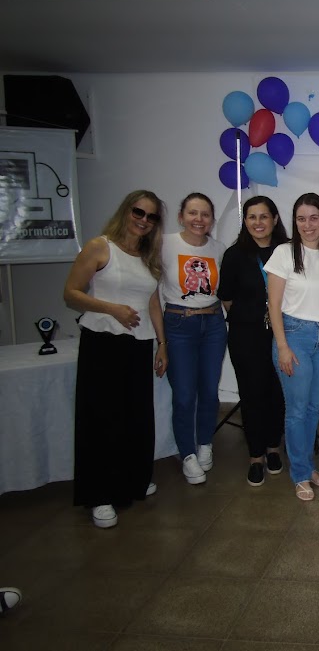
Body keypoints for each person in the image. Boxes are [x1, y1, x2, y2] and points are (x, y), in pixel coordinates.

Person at [63, 190, 168, 528]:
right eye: (139, 212)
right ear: (126, 211)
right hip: (103, 342)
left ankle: (132, 480)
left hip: (139, 344)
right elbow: (71, 293)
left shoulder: (148, 256)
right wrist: (111, 309)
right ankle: (100, 495)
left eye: (151, 216)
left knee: (136, 415)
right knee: (102, 418)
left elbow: (152, 303)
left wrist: (162, 344)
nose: (144, 220)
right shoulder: (100, 247)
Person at [265, 193, 319, 501]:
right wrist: (282, 346)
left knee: (312, 408)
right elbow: (273, 304)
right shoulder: (284, 253)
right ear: (294, 222)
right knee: (296, 410)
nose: (307, 225)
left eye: (313, 218)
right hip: (294, 335)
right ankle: (299, 474)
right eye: (301, 219)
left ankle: (308, 467)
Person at [218, 196, 289, 486]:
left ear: (274, 219)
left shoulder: (287, 251)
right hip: (246, 335)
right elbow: (226, 298)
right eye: (252, 217)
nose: (258, 223)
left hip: (282, 334)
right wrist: (250, 317)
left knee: (277, 393)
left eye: (263, 216)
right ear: (245, 221)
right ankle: (256, 456)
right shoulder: (235, 255)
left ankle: (273, 448)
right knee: (252, 394)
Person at [161, 193, 227, 485]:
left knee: (210, 391)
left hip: (213, 323)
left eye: (205, 214)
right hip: (178, 324)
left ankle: (205, 443)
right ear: (181, 216)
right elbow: (149, 287)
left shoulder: (218, 249)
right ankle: (187, 453)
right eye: (192, 213)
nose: (198, 219)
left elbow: (224, 291)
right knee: (185, 394)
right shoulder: (164, 244)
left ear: (212, 220)